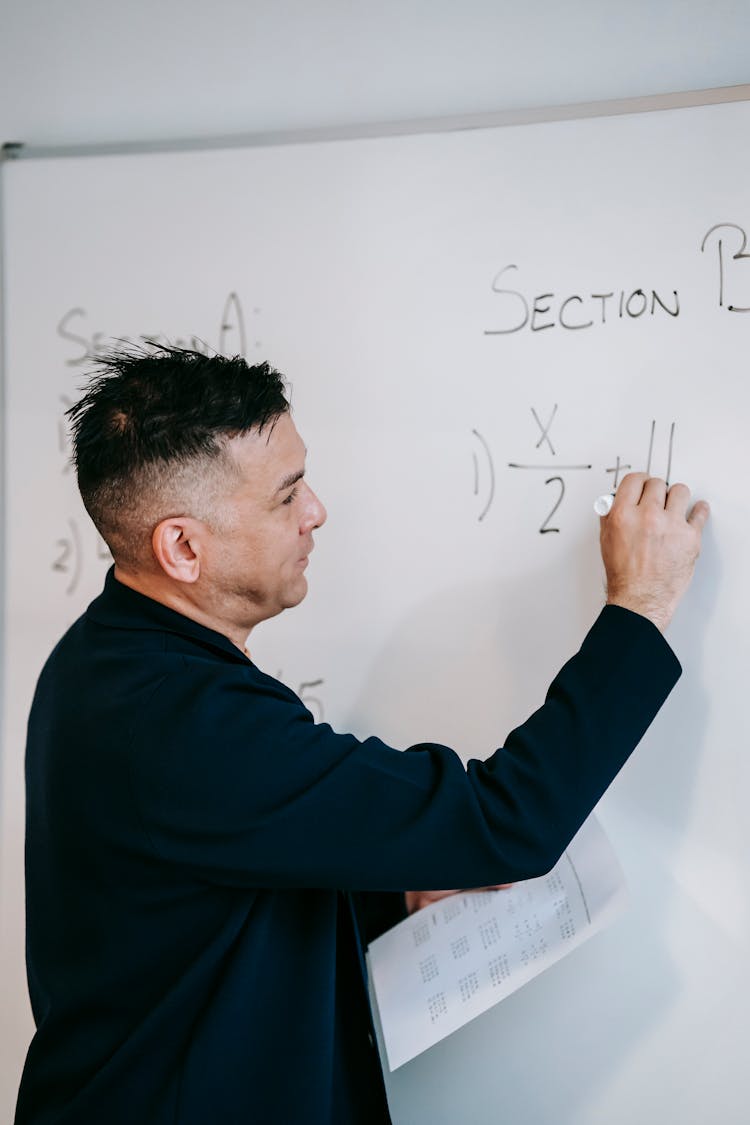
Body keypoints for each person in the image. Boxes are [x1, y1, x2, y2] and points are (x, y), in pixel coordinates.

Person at [15, 345, 709, 1125]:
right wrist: (640, 605)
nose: (316, 510)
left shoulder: (106, 659)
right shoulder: (182, 718)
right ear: (183, 547)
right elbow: (508, 820)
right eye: (285, 497)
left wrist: (399, 885)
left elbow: (211, 882)